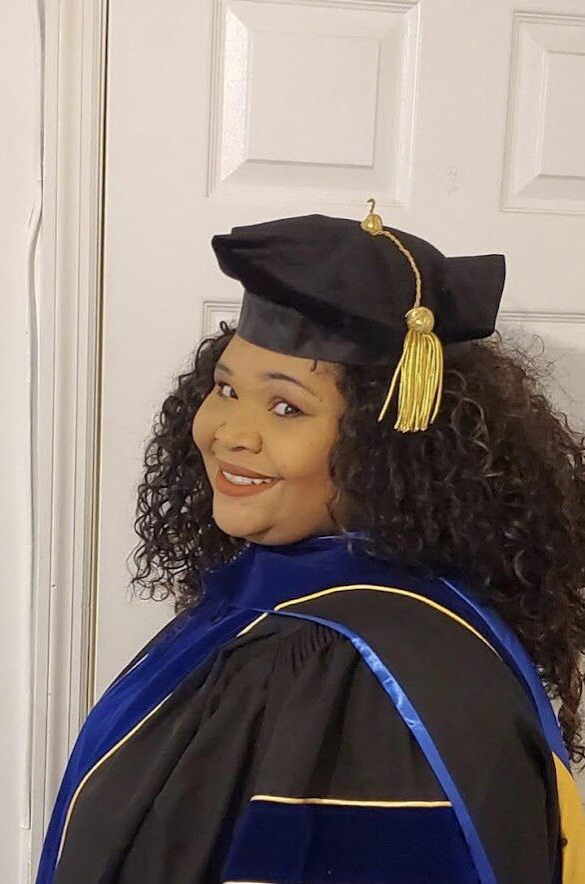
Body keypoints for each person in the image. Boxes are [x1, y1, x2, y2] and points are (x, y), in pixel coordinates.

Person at [35, 202, 585, 883]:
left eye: (287, 406)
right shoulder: (312, 605)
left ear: (389, 441)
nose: (231, 432)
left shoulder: (340, 670)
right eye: (226, 388)